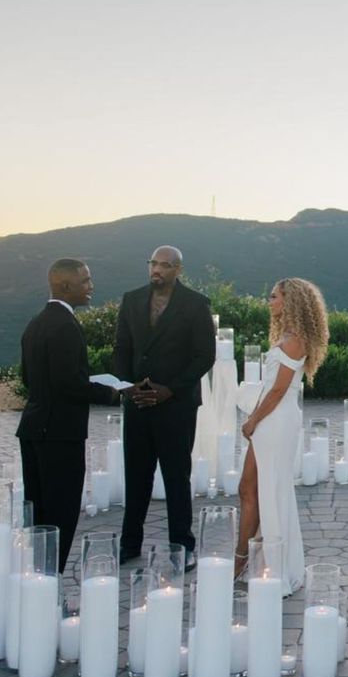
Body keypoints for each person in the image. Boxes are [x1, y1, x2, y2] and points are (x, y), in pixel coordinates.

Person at [114, 245, 216, 570]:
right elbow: (121, 348)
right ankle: (129, 544)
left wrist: (169, 390)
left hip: (177, 406)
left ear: (178, 270)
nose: (156, 269)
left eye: (165, 265)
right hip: (137, 403)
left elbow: (204, 355)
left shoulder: (196, 304)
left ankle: (182, 547)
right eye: (153, 263)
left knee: (176, 477)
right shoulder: (131, 299)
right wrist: (127, 386)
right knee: (136, 476)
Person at [16, 259, 120, 574]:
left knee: (38, 515)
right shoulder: (65, 326)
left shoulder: (35, 323)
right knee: (60, 513)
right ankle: (52, 581)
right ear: (65, 286)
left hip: (33, 429)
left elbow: (27, 378)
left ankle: (37, 581)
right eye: (85, 281)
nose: (91, 287)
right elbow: (69, 384)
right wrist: (111, 393)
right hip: (60, 434)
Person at [237, 278, 329, 594]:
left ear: (291, 302)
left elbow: (278, 390)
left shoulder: (295, 341)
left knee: (270, 491)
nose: (270, 301)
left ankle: (262, 564)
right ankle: (250, 558)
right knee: (250, 487)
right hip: (271, 419)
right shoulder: (289, 337)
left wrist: (252, 421)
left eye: (274, 296)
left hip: (275, 421)